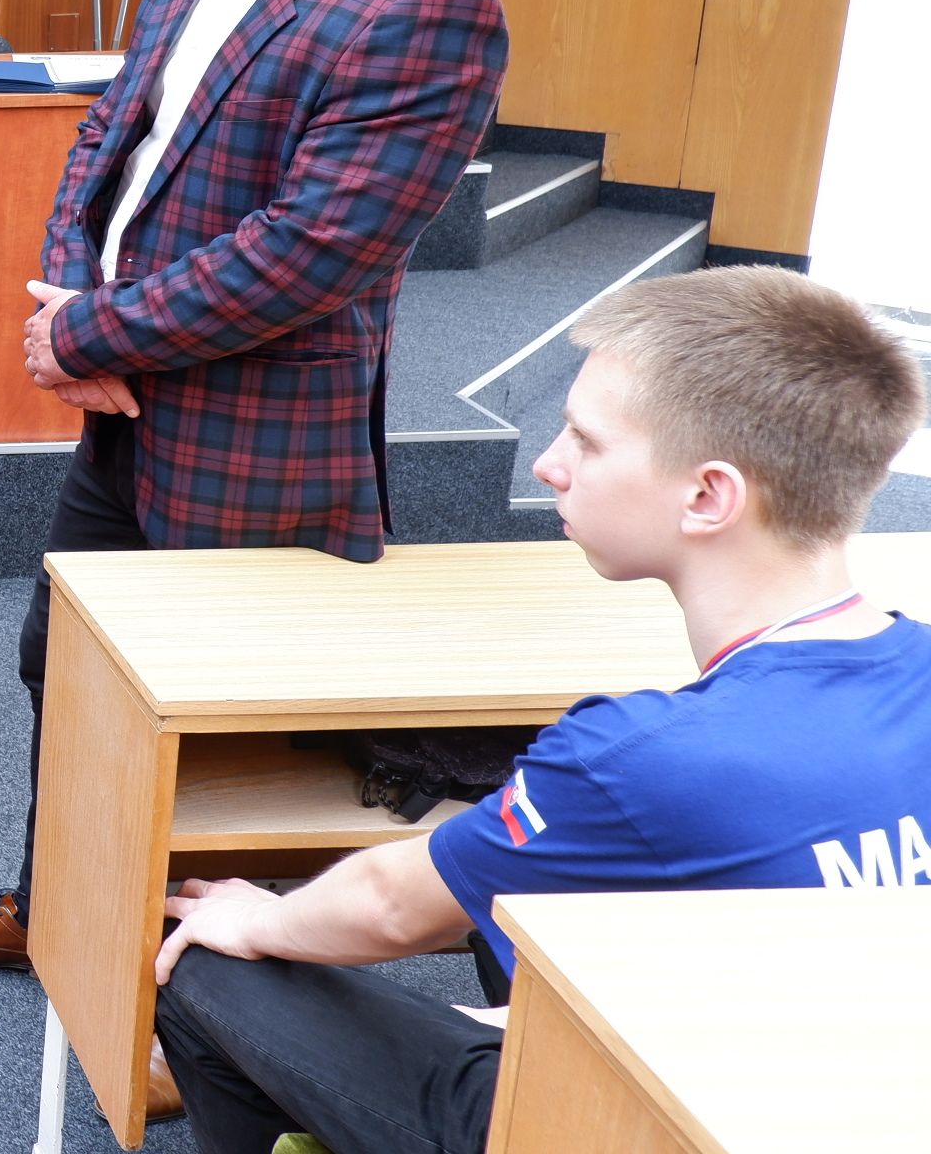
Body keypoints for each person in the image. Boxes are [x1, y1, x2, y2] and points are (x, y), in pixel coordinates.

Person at [0, 0, 510, 1030]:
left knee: (221, 729)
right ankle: (53, 907)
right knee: (69, 667)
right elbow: (110, 139)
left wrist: (92, 328)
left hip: (255, 438)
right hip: (125, 406)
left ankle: (202, 1024)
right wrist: (70, 302)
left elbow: (310, 250)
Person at [149, 265, 931, 1151]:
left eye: (586, 442)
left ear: (708, 496)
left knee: (208, 956)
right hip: (839, 1096)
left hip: (644, 1128)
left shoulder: (639, 753)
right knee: (538, 890)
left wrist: (254, 914)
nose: (550, 464)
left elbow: (391, 906)